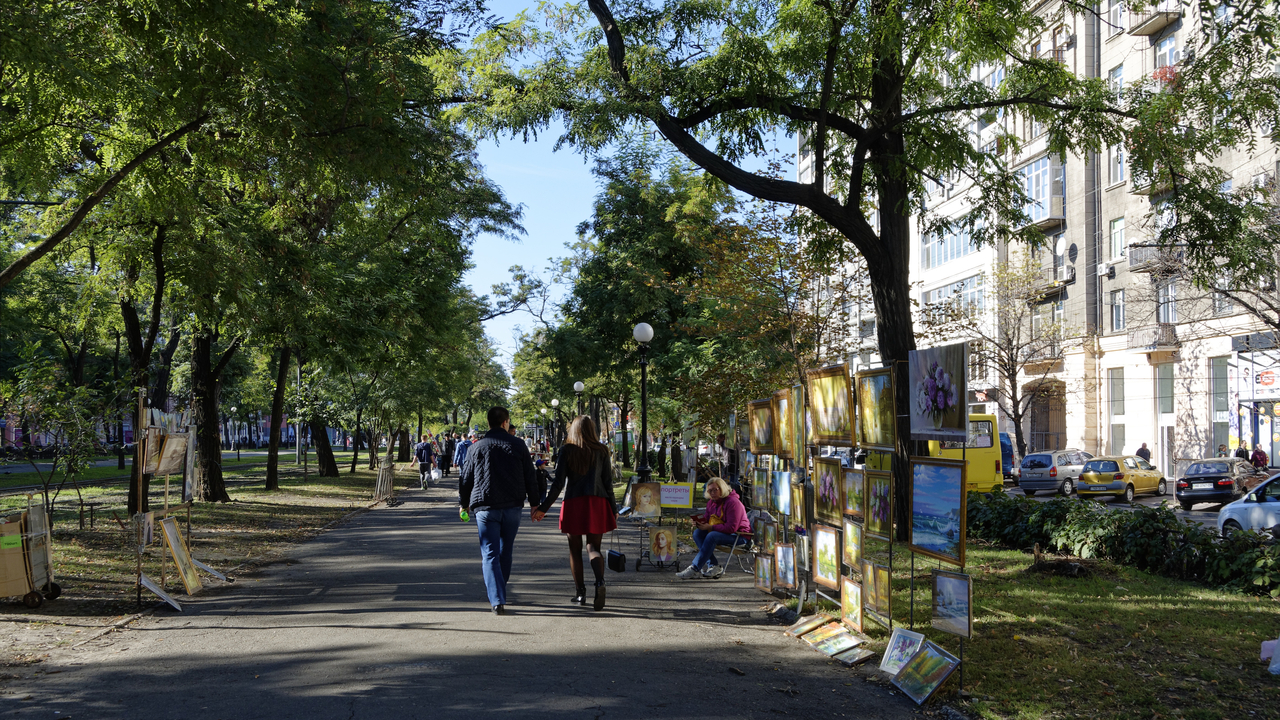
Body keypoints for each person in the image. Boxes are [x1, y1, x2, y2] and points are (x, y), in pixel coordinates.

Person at [459, 407, 541, 615]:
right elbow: (530, 476)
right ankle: (499, 589)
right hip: (513, 505)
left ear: (488, 423)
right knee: (506, 550)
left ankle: (496, 599)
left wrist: (464, 503)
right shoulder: (518, 444)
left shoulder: (475, 448)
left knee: (489, 553)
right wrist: (535, 504)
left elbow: (465, 478)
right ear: (505, 422)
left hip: (485, 506)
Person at [533, 416, 617, 610]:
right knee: (593, 547)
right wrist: (613, 508)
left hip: (574, 503)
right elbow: (608, 483)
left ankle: (580, 593)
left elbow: (558, 483)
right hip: (598, 502)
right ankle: (600, 582)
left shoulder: (567, 450)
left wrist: (543, 508)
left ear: (574, 430)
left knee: (574, 549)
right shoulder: (602, 450)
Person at [677, 476, 750, 580]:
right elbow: (707, 519)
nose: (712, 493)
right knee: (698, 533)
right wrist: (700, 523)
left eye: (715, 490)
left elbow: (732, 528)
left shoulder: (733, 503)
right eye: (709, 490)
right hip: (724, 533)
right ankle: (713, 566)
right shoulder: (711, 503)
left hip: (740, 536)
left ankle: (694, 568)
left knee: (712, 536)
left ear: (722, 488)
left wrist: (711, 527)